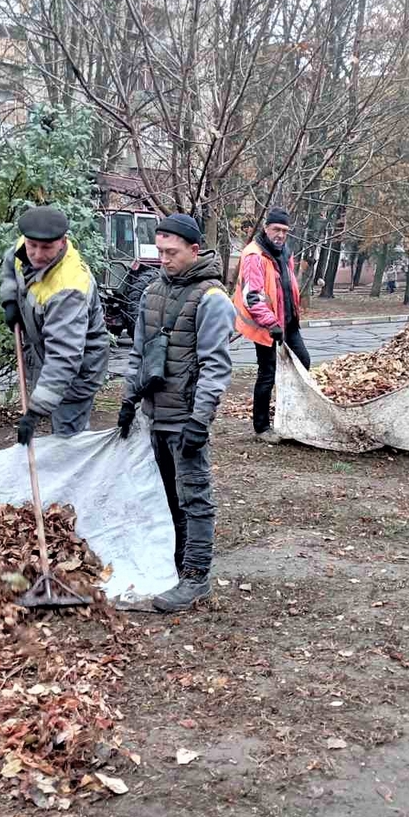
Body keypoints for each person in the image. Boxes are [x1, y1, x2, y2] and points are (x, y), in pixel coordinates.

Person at [118, 213, 235, 613]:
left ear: (194, 250)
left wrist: (200, 422)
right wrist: (127, 400)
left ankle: (197, 578)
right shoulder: (151, 292)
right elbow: (138, 354)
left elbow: (215, 367)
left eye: (172, 252)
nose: (164, 259)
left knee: (194, 499)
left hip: (185, 420)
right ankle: (176, 566)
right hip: (155, 417)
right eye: (160, 252)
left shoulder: (212, 300)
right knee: (165, 496)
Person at [1, 205, 110, 445]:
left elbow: (64, 357)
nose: (37, 255)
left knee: (68, 440)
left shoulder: (69, 287)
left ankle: (77, 482)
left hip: (78, 370)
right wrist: (10, 300)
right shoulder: (26, 245)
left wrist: (34, 412)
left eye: (47, 248)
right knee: (57, 428)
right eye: (32, 246)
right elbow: (11, 261)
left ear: (63, 242)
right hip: (44, 354)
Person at [233, 207, 309, 443]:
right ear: (266, 228)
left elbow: (285, 286)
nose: (280, 234)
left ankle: (293, 416)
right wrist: (270, 322)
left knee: (303, 362)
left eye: (285, 230)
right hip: (266, 325)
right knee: (267, 374)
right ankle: (262, 427)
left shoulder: (284, 252)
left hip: (288, 322)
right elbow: (252, 296)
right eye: (276, 229)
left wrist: (290, 316)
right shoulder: (254, 254)